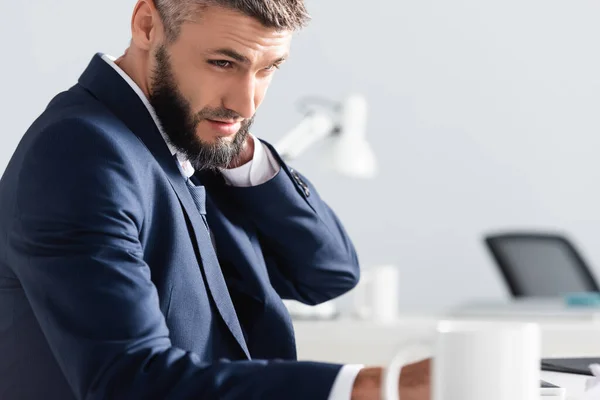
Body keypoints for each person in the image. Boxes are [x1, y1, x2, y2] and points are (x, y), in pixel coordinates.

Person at [0, 1, 430, 399]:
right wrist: (377, 386)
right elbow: (130, 380)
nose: (246, 102)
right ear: (148, 25)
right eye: (223, 63)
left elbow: (327, 274)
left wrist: (243, 154)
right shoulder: (84, 152)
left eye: (267, 69)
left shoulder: (185, 138)